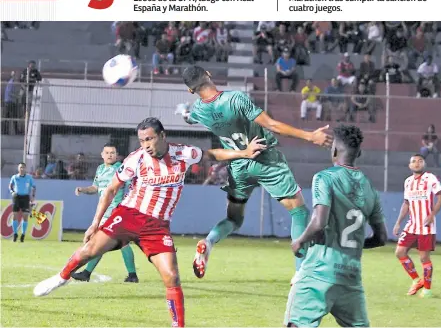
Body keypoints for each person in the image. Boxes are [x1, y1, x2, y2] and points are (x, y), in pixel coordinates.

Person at [33, 117, 266, 328]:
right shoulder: (136, 159)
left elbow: (211, 154)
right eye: (142, 140)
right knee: (89, 250)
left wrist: (244, 153)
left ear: (162, 136)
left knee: (172, 277)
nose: (145, 144)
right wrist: (95, 223)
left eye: (150, 139)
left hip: (157, 226)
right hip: (129, 215)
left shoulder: (183, 153)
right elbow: (111, 189)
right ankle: (60, 278)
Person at [180, 65, 333, 284]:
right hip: (263, 157)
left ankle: (209, 241)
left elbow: (189, 117)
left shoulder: (198, 111)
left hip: (238, 165)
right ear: (208, 74)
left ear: (190, 90)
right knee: (298, 211)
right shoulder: (235, 99)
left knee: (234, 219)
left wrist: (183, 112)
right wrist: (310, 136)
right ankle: (302, 272)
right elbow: (271, 124)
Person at [285, 125, 387, 327]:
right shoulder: (370, 188)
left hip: (318, 273)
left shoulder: (325, 178)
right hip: (350, 276)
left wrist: (300, 241)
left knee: (296, 324)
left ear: (333, 150)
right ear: (359, 153)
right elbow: (381, 238)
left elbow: (319, 222)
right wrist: (352, 244)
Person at [71, 143, 139, 283]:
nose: (110, 155)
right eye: (107, 152)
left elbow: (132, 187)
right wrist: (83, 190)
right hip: (104, 212)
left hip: (115, 212)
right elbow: (95, 188)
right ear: (102, 155)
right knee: (108, 243)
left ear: (116, 155)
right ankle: (130, 275)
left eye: (112, 153)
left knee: (108, 242)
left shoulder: (121, 168)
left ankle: (87, 273)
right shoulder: (100, 169)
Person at [393, 154, 441, 298]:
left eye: (420, 161)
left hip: (426, 226)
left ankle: (427, 290)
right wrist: (398, 222)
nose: (417, 163)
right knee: (400, 252)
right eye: (414, 161)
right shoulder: (408, 182)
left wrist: (432, 214)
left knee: (424, 258)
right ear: (410, 166)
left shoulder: (430, 178)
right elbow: (406, 203)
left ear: (424, 164)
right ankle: (417, 280)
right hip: (411, 225)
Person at [9, 162, 36, 242]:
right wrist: (12, 192)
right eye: (20, 167)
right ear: (18, 168)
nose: (22, 169)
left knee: (25, 216)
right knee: (15, 215)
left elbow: (33, 187)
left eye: (23, 167)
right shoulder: (14, 177)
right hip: (16, 197)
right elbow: (10, 185)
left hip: (25, 197)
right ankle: (15, 234)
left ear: (25, 168)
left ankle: (23, 234)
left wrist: (33, 197)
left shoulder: (29, 177)